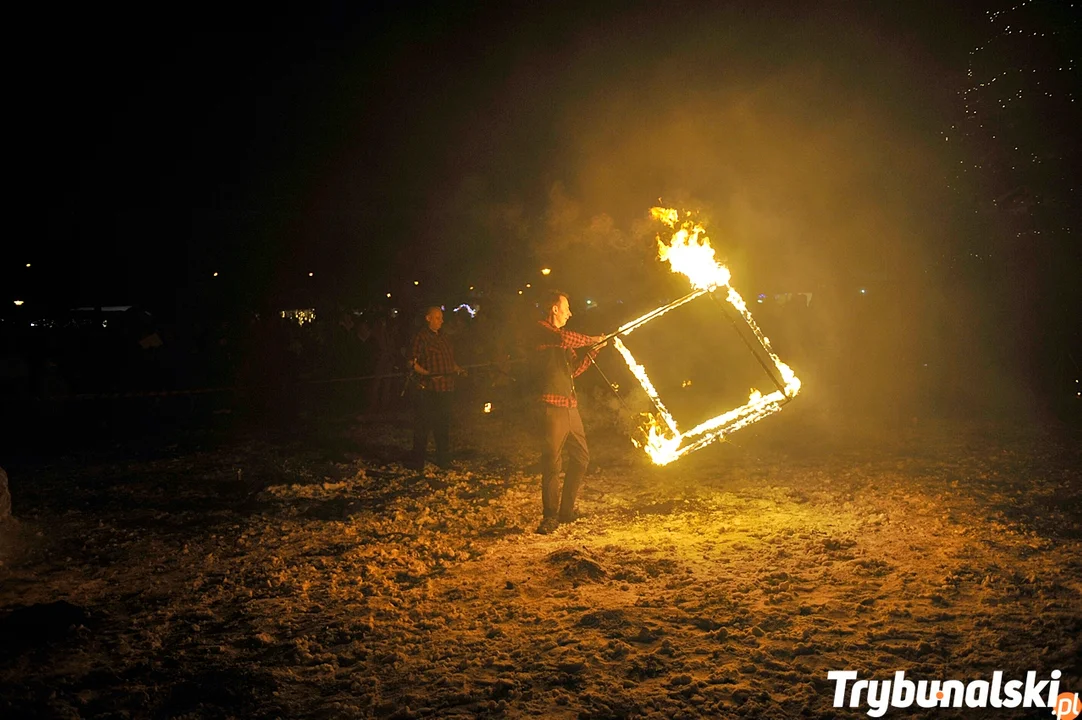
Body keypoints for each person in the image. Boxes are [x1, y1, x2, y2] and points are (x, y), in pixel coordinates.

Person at [532, 290, 606, 534]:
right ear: (554, 309)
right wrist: (591, 339)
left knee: (582, 458)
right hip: (551, 407)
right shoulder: (542, 331)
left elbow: (573, 370)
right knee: (552, 463)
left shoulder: (562, 339)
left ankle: (566, 510)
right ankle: (550, 516)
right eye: (567, 307)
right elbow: (564, 338)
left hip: (570, 407)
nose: (570, 313)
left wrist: (594, 351)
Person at [409, 306, 464, 471]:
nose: (441, 321)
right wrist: (428, 374)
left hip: (446, 388)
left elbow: (449, 360)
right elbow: (412, 363)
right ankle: (417, 461)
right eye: (437, 318)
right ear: (428, 318)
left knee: (443, 426)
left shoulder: (444, 337)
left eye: (441, 318)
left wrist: (456, 368)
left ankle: (443, 459)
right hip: (428, 389)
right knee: (423, 426)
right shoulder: (421, 337)